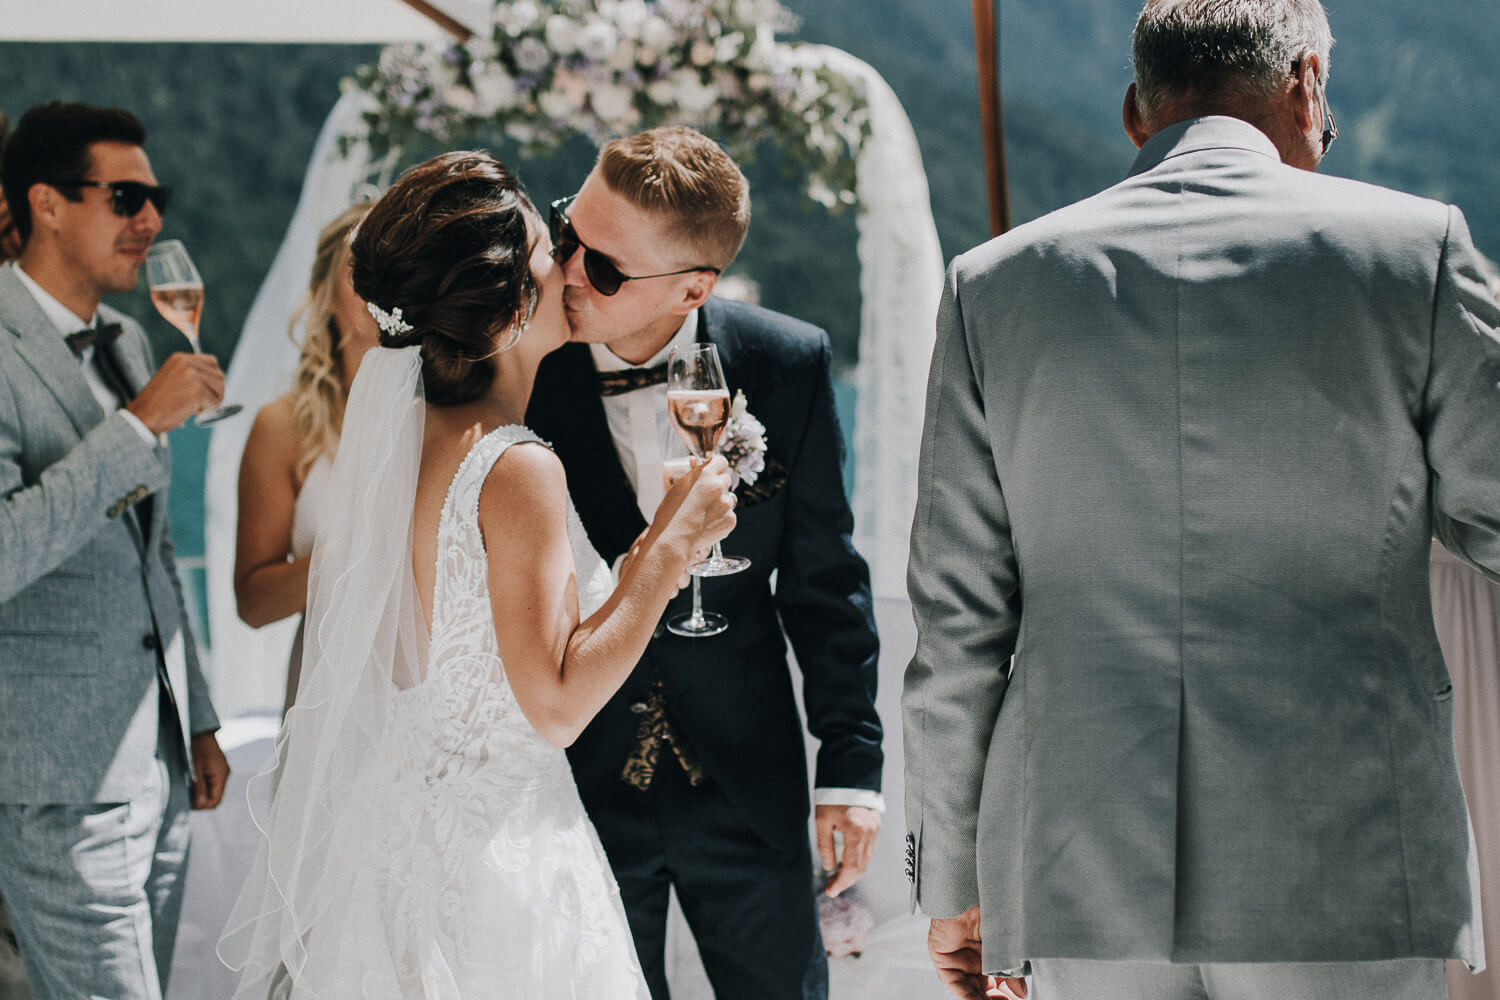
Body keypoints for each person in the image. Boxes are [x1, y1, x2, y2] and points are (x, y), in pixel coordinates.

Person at [902, 0, 1500, 997]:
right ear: (1305, 81)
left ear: (1139, 111)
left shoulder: (993, 284)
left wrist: (956, 880)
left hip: (1076, 863)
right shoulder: (1417, 253)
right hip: (1344, 856)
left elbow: (954, 619)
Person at [219, 150, 737, 997]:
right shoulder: (515, 465)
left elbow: (518, 639)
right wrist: (676, 556)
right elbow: (557, 705)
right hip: (497, 863)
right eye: (549, 251)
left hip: (401, 848)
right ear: (503, 313)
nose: (573, 265)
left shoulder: (418, 437)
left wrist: (656, 543)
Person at [526, 125, 884, 999]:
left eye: (605, 268)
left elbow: (824, 581)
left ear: (694, 288)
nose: (569, 269)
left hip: (746, 777)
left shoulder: (786, 362)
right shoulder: (522, 371)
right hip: (576, 789)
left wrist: (850, 765)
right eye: (570, 231)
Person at [0, 101, 230, 999]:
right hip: (58, 773)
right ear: (47, 203)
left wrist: (198, 711)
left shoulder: (130, 338)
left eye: (156, 195)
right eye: (127, 196)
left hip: (159, 762)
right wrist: (139, 426)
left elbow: (151, 548)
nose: (153, 221)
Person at [233, 201, 376, 715]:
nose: (381, 283)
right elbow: (252, 603)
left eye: (397, 266)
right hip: (328, 692)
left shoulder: (451, 412)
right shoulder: (284, 427)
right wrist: (351, 559)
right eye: (363, 268)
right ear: (322, 295)